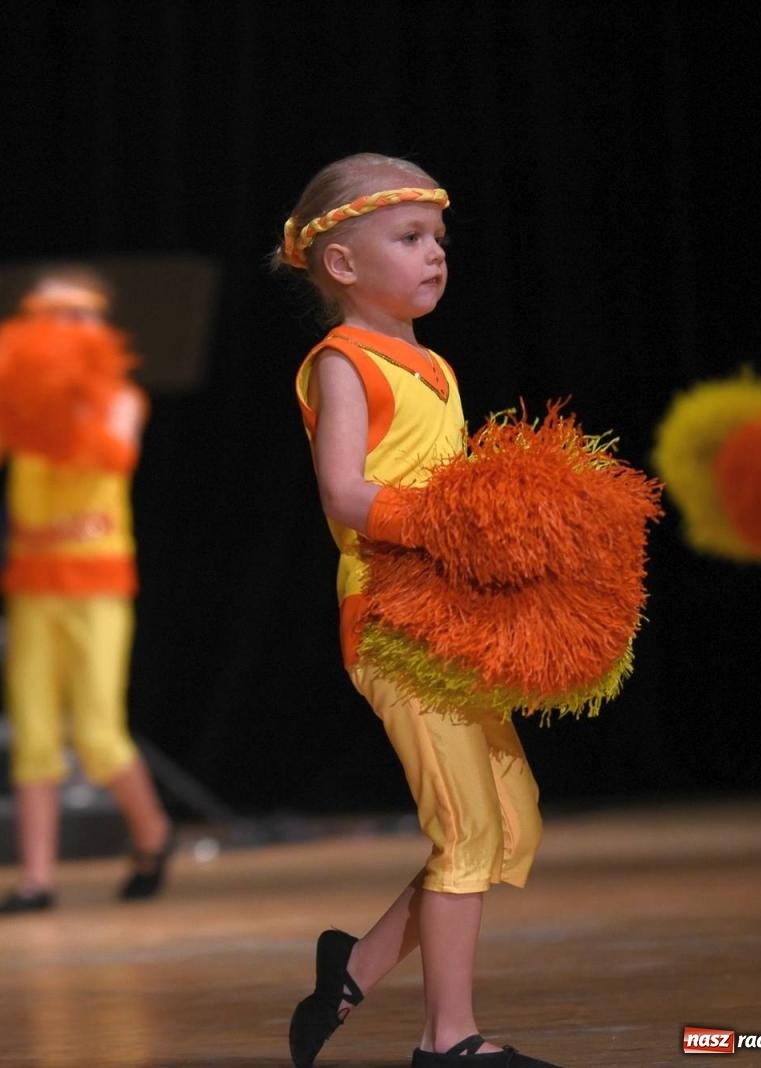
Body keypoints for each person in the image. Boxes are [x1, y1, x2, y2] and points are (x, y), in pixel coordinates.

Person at [275, 154, 558, 1067]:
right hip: (393, 614)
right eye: (410, 238)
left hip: (451, 612)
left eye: (439, 238)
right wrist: (449, 520)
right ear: (343, 266)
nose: (435, 254)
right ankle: (449, 1041)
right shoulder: (343, 362)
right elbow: (344, 495)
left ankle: (351, 967)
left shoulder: (434, 362)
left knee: (510, 822)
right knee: (467, 829)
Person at [0, 267, 174, 916]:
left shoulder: (122, 399)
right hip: (32, 581)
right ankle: (37, 879)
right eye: (49, 315)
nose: (64, 328)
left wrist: (61, 402)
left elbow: (113, 455)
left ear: (101, 326)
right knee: (32, 730)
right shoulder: (15, 404)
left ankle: (152, 836)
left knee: (96, 730)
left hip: (96, 579)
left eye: (78, 314)